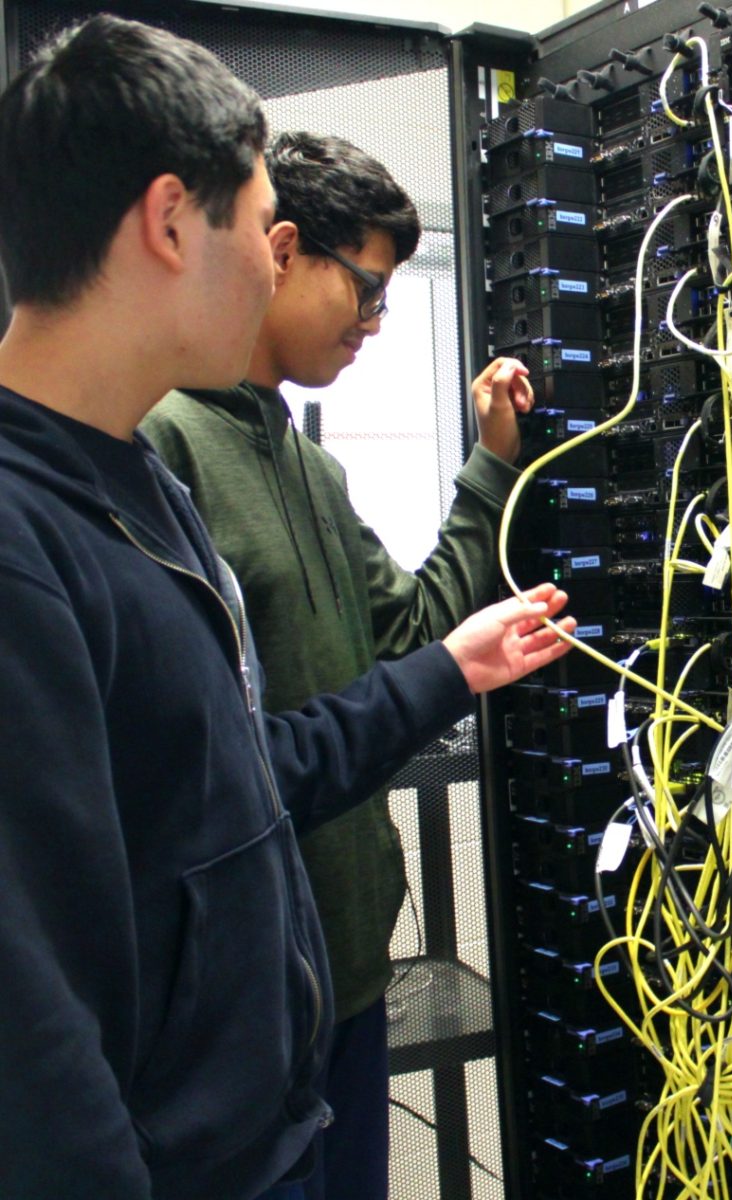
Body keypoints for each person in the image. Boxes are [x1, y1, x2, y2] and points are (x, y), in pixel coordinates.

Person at [0, 16, 572, 1200]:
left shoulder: (139, 485)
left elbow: (243, 774)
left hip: (271, 1105)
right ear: (168, 222)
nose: (272, 262)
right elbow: (33, 1029)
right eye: (263, 228)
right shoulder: (28, 536)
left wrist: (448, 667)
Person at [142, 130, 530, 1200]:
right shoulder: (161, 444)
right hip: (239, 1003)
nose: (373, 321)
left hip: (348, 967)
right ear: (278, 251)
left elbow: (406, 635)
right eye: (362, 287)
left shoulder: (306, 462)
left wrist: (491, 463)